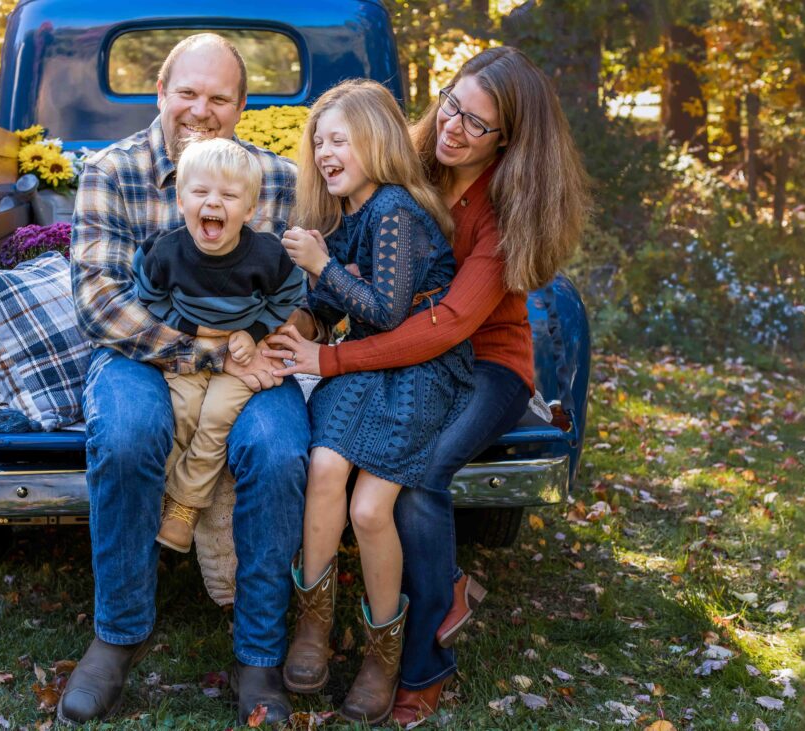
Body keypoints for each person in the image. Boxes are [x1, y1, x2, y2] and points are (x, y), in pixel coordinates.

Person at [267, 46, 589, 725]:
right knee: (345, 471)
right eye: (452, 105)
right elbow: (351, 255)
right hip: (399, 355)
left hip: (483, 363)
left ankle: (420, 662)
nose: (454, 127)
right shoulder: (407, 168)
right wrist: (304, 319)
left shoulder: (503, 208)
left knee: (419, 481)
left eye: (477, 123)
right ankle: (352, 613)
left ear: (507, 139)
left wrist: (328, 361)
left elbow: (443, 325)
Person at [61, 33, 318, 726]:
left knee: (279, 450)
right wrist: (206, 354)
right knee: (127, 432)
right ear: (161, 94)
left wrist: (277, 341)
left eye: (219, 97)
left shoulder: (279, 180)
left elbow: (303, 295)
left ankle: (259, 651)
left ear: (240, 107)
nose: (201, 109)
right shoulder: (111, 170)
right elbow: (100, 301)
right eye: (187, 92)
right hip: (141, 355)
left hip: (251, 360)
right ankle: (118, 633)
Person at [277, 79, 474, 726]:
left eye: (339, 139)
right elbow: (335, 306)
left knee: (368, 509)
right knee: (325, 469)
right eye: (319, 140)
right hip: (367, 363)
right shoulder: (350, 212)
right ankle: (313, 624)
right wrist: (298, 328)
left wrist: (321, 263)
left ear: (376, 142)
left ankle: (383, 650)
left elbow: (388, 313)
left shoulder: (393, 208)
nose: (324, 150)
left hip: (419, 367)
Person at [132, 138, 304, 553]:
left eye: (228, 195)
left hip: (245, 357)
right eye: (201, 192)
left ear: (249, 210)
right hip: (189, 351)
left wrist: (254, 333)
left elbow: (289, 298)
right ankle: (166, 493)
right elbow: (149, 298)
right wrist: (195, 330)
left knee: (214, 419)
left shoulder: (267, 255)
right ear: (180, 200)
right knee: (183, 412)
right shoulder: (164, 252)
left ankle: (184, 508)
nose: (214, 203)